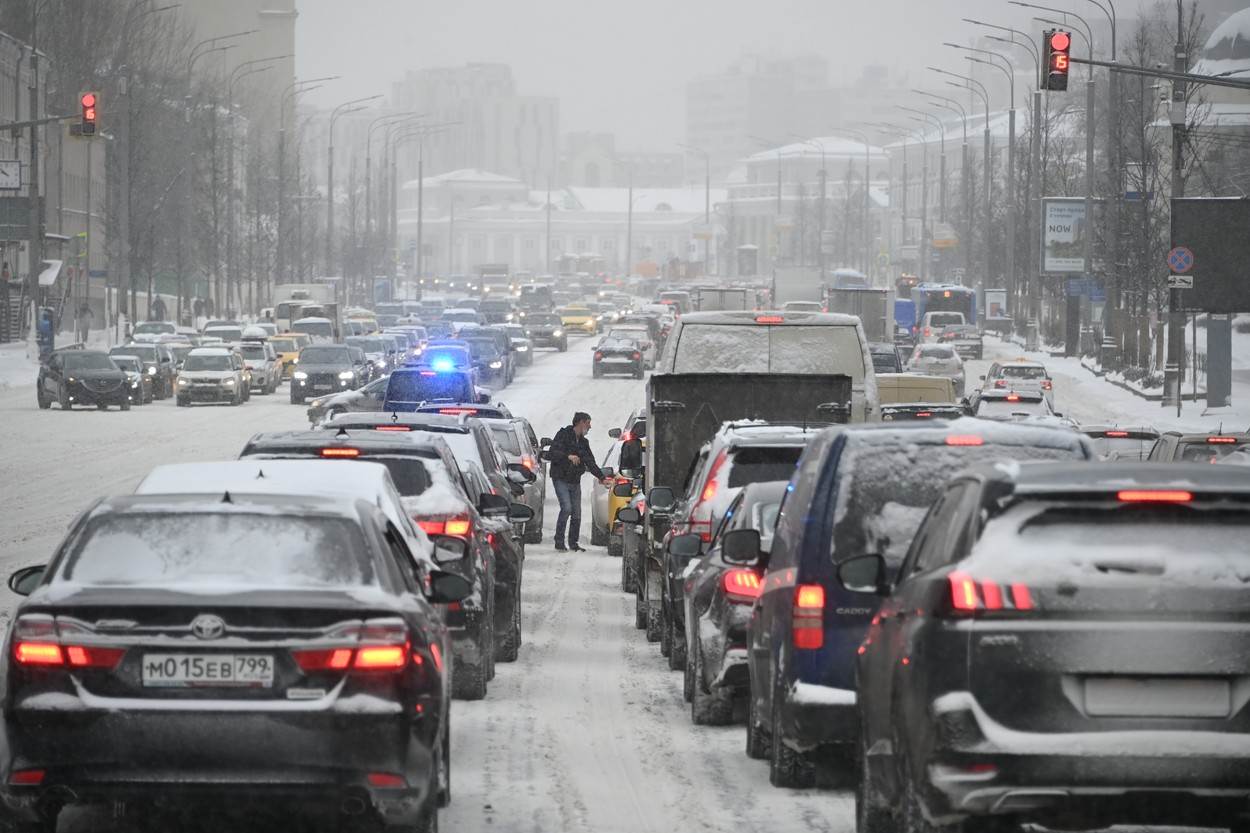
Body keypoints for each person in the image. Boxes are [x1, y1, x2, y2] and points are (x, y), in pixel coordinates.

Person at [548, 411, 608, 552]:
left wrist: (602, 477)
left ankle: (573, 543)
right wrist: (567, 456)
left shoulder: (583, 442)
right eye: (588, 423)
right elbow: (552, 453)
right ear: (581, 423)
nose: (590, 427)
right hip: (561, 478)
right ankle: (559, 541)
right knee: (567, 508)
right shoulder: (563, 435)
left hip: (575, 480)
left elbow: (590, 461)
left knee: (577, 513)